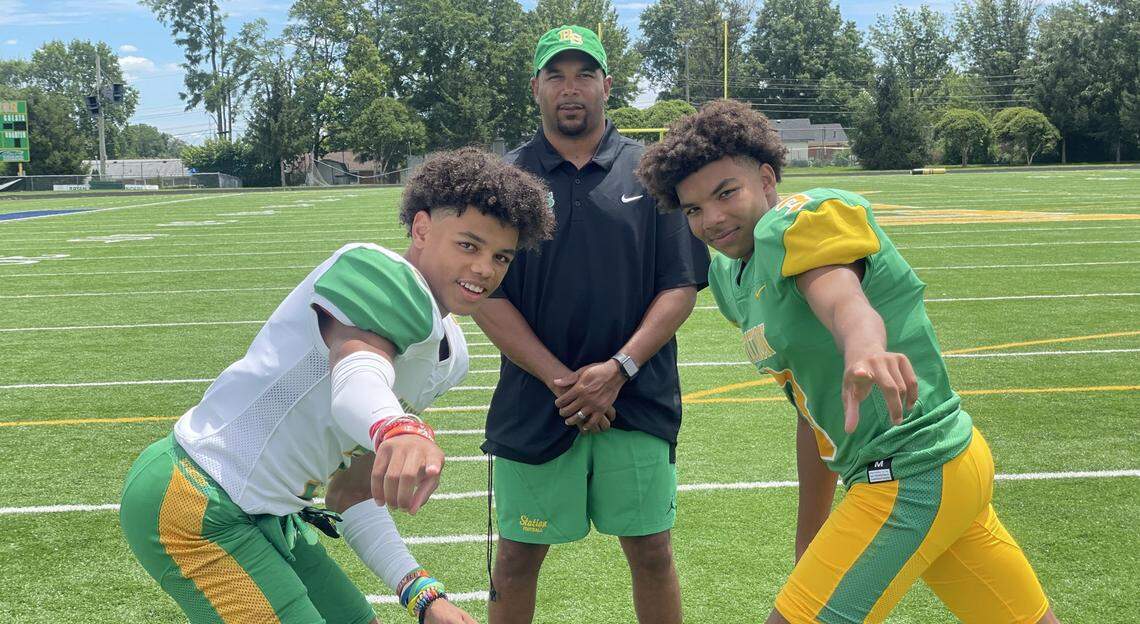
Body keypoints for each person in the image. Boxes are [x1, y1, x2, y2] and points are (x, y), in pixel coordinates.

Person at [634, 99, 1060, 623]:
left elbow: (841, 297)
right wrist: (811, 543)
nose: (712, 219)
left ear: (766, 178)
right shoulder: (729, 276)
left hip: (912, 466)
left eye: (727, 193)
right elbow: (808, 411)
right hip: (943, 467)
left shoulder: (798, 221)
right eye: (694, 209)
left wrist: (864, 345)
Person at [119, 148, 555, 624]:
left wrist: (425, 598)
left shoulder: (450, 356)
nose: (485, 270)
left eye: (501, 257)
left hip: (273, 513)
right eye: (468, 246)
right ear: (423, 228)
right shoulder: (375, 271)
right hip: (198, 495)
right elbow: (357, 369)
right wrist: (397, 427)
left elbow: (351, 492)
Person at [473, 25, 710, 624]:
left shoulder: (651, 173)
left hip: (637, 395)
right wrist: (566, 383)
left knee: (652, 553)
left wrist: (618, 370)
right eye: (556, 75)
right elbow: (484, 293)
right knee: (517, 559)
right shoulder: (506, 180)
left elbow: (679, 285)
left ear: (607, 84)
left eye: (583, 75)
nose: (570, 89)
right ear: (535, 88)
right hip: (537, 401)